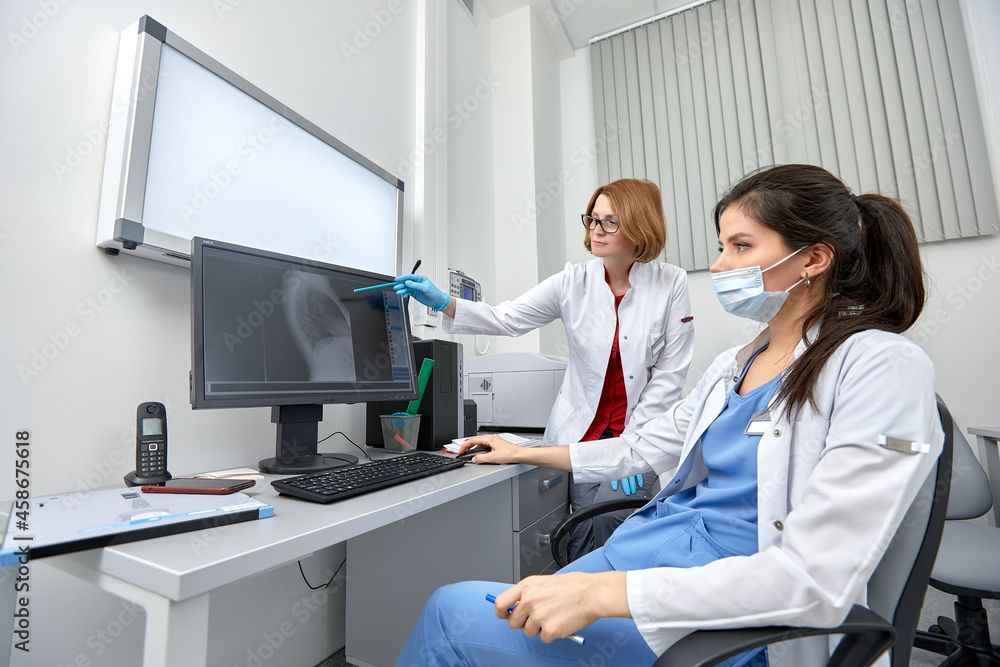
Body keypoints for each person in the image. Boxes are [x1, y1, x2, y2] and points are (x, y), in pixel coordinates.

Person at [394, 164, 943, 667]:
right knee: (515, 607)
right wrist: (523, 449)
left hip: (712, 607)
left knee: (453, 612)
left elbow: (815, 574)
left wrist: (603, 595)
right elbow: (645, 444)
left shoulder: (878, 365)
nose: (720, 265)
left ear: (814, 259)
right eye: (721, 245)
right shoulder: (736, 363)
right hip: (646, 548)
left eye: (741, 246)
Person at [395, 179, 695, 558]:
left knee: (613, 524)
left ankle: (603, 603)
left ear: (640, 226)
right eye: (592, 219)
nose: (595, 230)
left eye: (610, 222)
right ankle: (577, 603)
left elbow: (669, 375)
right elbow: (509, 318)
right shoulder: (573, 282)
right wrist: (443, 302)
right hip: (582, 436)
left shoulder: (671, 283)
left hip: (642, 434)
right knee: (581, 527)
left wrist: (634, 453)